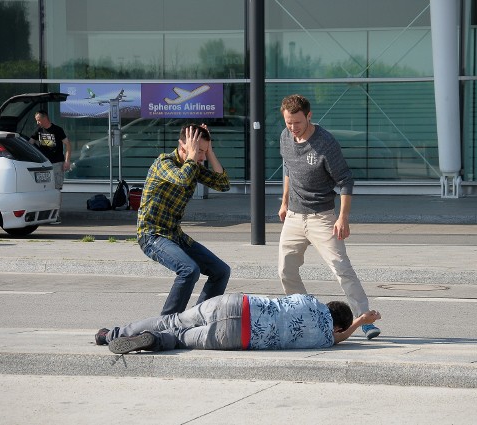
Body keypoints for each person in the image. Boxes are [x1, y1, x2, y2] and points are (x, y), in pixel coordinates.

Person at [277, 94, 381, 340]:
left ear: (309, 116)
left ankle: (364, 319)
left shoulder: (325, 143)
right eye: (288, 123)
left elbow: (345, 180)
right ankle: (302, 315)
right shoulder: (285, 137)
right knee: (285, 270)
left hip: (322, 217)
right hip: (293, 215)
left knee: (341, 269)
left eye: (298, 123)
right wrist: (283, 202)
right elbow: (289, 170)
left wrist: (342, 217)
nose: (293, 129)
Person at [136, 124, 231, 315]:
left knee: (221, 271)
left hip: (175, 235)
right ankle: (167, 323)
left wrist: (209, 151)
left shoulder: (193, 165)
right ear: (183, 146)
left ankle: (197, 318)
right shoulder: (163, 162)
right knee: (189, 270)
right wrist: (192, 156)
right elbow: (182, 178)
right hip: (152, 235)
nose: (201, 157)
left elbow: (223, 184)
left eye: (204, 152)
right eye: (199, 151)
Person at [94, 293, 381, 354]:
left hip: (236, 304)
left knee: (174, 319)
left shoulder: (310, 300)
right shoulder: (324, 338)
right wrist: (360, 322)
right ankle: (152, 342)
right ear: (337, 327)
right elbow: (339, 339)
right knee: (181, 337)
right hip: (236, 336)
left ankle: (111, 334)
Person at [28, 110, 72, 224]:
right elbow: (29, 144)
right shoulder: (38, 130)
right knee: (43, 189)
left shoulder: (57, 130)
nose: (37, 123)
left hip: (57, 163)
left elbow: (68, 144)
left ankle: (56, 215)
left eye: (38, 120)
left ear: (45, 118)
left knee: (56, 189)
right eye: (36, 121)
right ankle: (44, 214)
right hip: (43, 164)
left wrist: (67, 161)